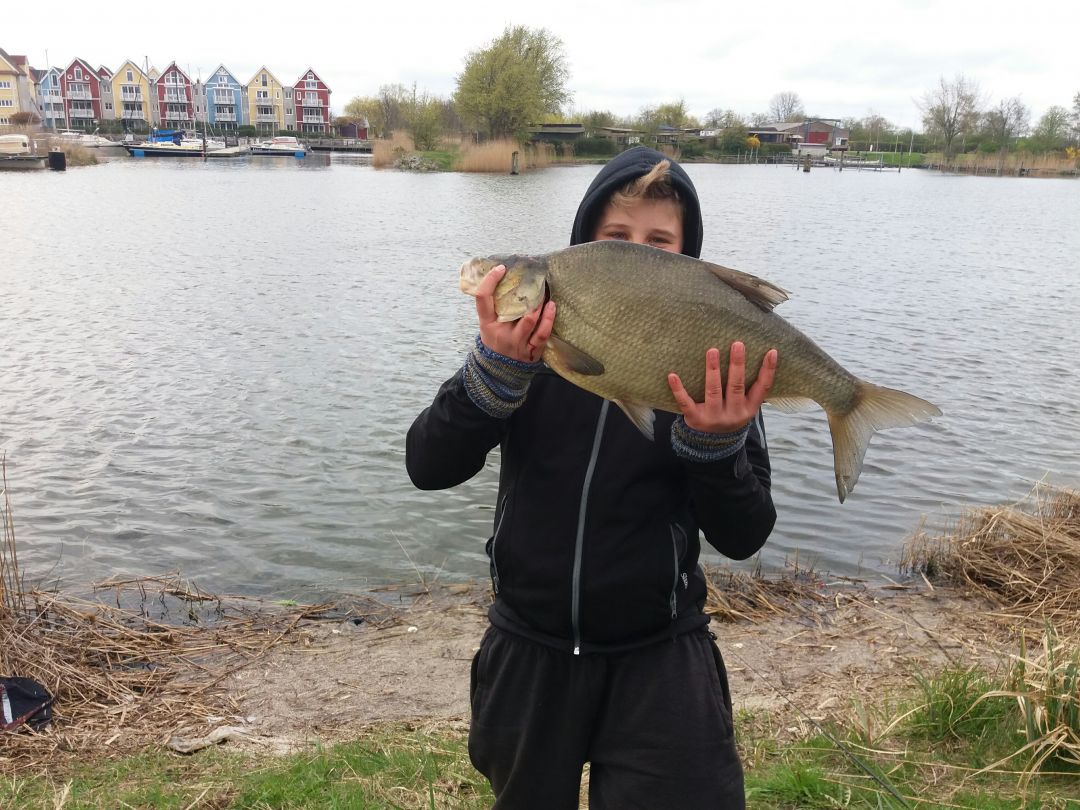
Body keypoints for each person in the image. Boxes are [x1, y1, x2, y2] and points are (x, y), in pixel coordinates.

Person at [406, 145, 778, 809]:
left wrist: (717, 448)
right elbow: (428, 467)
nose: (639, 251)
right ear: (586, 248)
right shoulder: (526, 353)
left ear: (688, 263)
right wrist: (491, 380)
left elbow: (745, 534)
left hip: (661, 652)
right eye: (618, 236)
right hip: (529, 646)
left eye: (660, 241)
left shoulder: (712, 367)